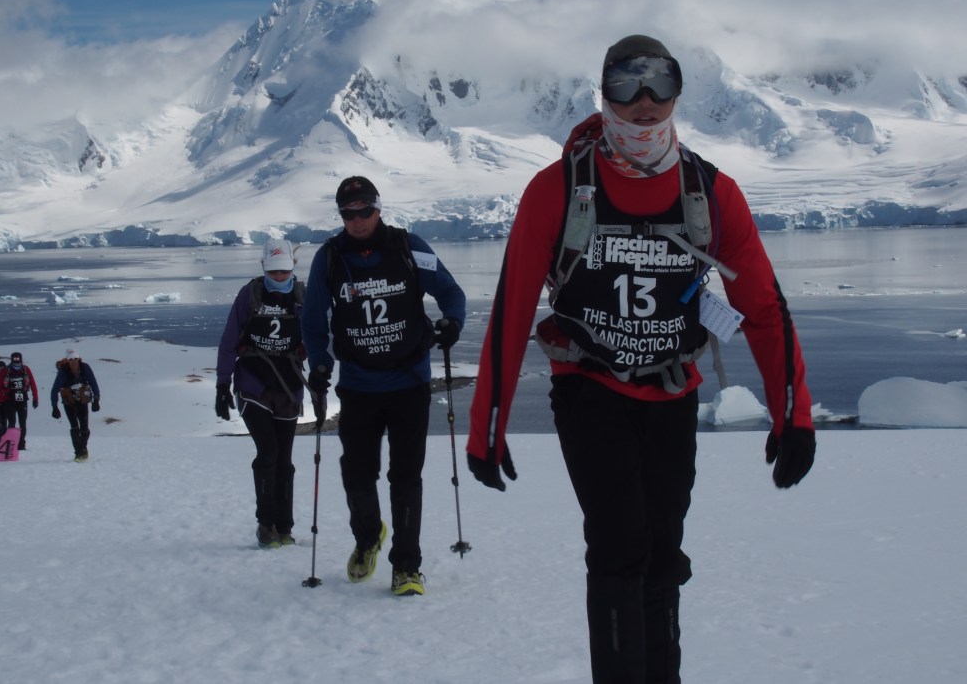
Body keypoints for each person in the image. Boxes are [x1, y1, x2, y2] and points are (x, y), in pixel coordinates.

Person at [466, 35, 816, 683]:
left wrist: (792, 415)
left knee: (662, 552)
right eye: (627, 84)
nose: (645, 101)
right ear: (604, 95)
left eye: (661, 83)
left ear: (679, 92)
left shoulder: (711, 193)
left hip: (671, 393)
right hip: (589, 387)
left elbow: (764, 308)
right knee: (620, 545)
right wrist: (488, 426)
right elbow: (512, 311)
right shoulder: (556, 190)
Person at [301, 175, 466, 597]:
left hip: (410, 382)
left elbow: (450, 291)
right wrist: (319, 362)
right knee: (357, 475)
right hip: (358, 385)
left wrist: (452, 321)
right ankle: (369, 535)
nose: (357, 220)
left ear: (378, 209)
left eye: (365, 211)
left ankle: (406, 567)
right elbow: (313, 319)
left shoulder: (409, 247)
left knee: (405, 476)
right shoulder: (329, 257)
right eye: (348, 214)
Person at [217, 238, 309, 549]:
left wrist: (321, 383)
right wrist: (222, 384)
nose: (279, 277)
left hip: (289, 388)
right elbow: (230, 337)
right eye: (273, 272)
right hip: (253, 385)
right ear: (264, 268)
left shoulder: (302, 297)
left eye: (284, 271)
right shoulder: (250, 294)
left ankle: (285, 527)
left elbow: (317, 338)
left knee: (284, 460)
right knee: (268, 453)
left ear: (292, 268)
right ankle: (266, 525)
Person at [50, 349, 102, 462]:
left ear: (79, 359)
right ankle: (79, 453)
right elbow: (54, 390)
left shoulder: (85, 368)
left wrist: (96, 399)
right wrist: (54, 407)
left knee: (84, 428)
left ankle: (81, 450)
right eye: (71, 359)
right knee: (74, 427)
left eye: (75, 359)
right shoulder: (63, 372)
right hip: (69, 401)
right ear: (68, 360)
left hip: (82, 400)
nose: (73, 361)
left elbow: (93, 382)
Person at [0, 351, 39, 450]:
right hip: (9, 400)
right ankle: (11, 444)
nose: (16, 360)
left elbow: (33, 384)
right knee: (11, 422)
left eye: (18, 358)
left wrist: (35, 399)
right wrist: (1, 400)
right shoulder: (5, 370)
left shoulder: (26, 369)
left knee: (22, 423)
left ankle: (21, 444)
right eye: (14, 358)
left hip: (22, 399)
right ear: (11, 359)